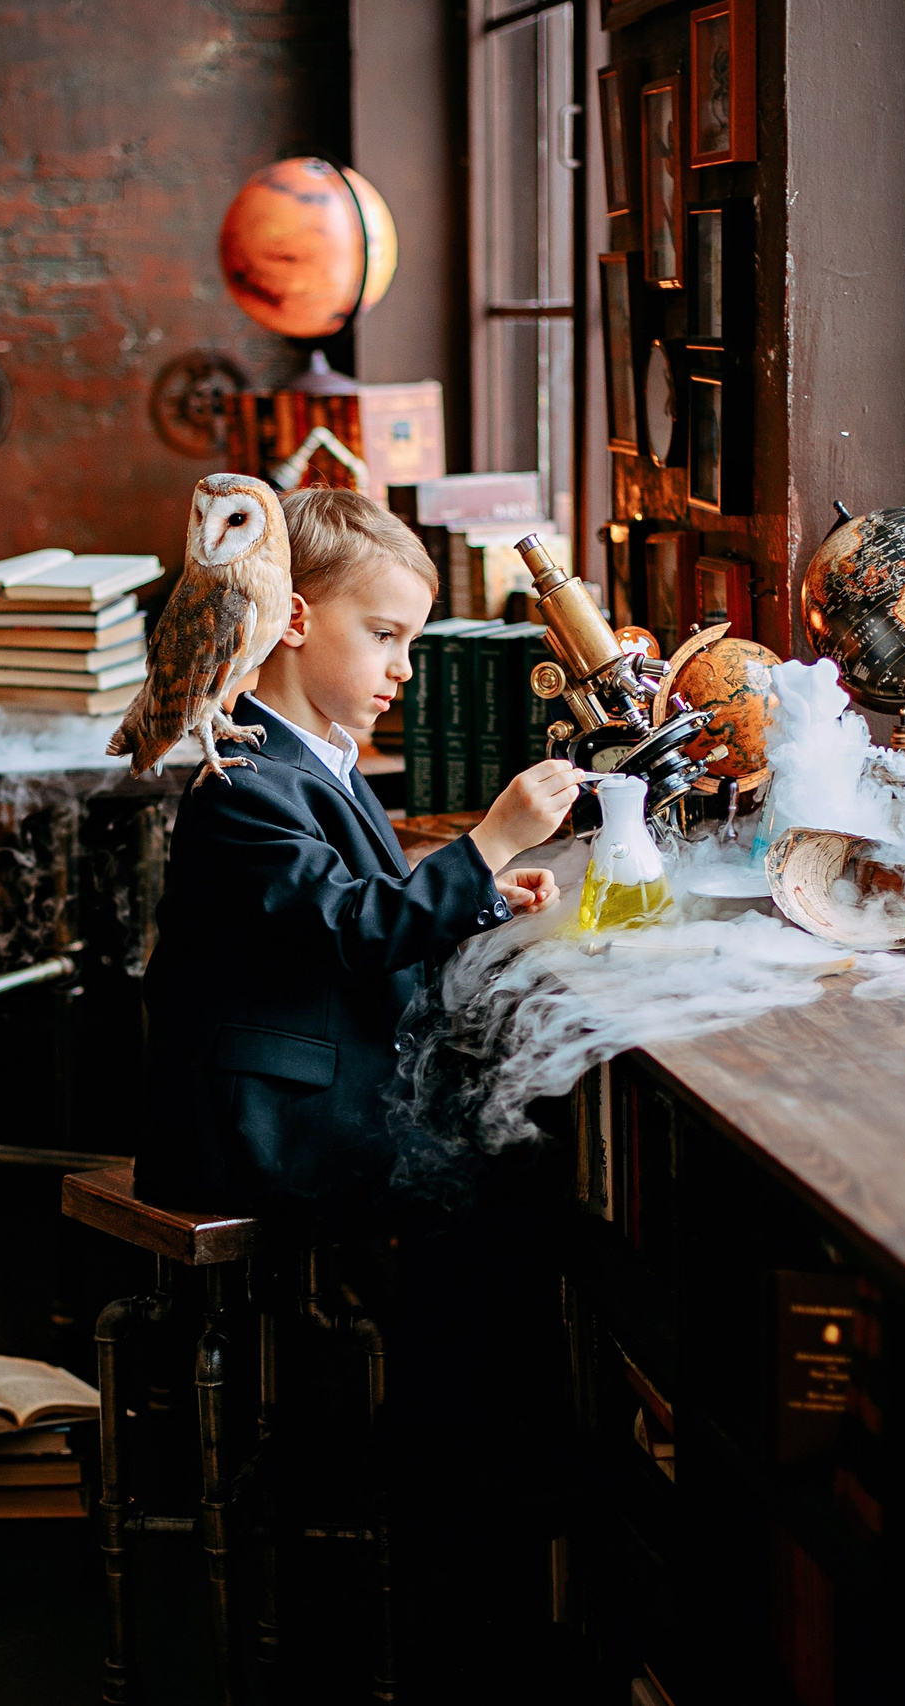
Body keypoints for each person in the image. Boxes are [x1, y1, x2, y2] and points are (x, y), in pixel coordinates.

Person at [135, 485, 580, 1220]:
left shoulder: (326, 763)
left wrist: (487, 892)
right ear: (297, 619)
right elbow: (351, 927)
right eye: (384, 635)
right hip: (263, 1136)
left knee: (528, 1159)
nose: (404, 668)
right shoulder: (241, 788)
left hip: (321, 1104)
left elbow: (370, 918)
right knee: (524, 1188)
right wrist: (492, 839)